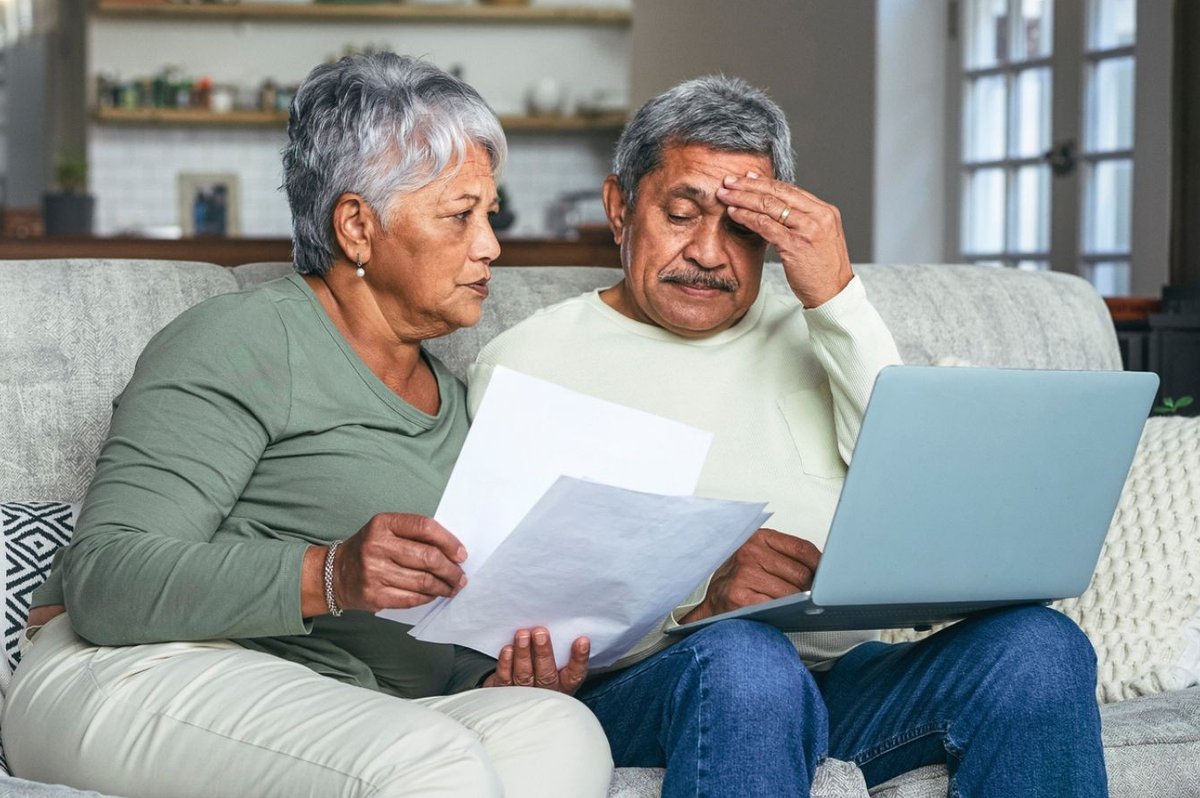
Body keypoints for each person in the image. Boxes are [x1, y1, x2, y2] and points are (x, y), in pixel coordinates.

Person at [468, 75, 1107, 797]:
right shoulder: (535, 361)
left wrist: (836, 297)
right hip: (658, 686)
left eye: (742, 228)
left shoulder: (824, 330)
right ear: (621, 207)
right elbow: (516, 614)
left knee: (1042, 649)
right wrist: (699, 609)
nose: (710, 253)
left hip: (845, 681)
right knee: (746, 659)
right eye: (681, 216)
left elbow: (920, 497)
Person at [2, 53, 612, 798]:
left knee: (560, 733)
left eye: (490, 214)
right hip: (136, 669)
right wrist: (328, 573)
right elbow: (105, 582)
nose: (490, 245)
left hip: (347, 706)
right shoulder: (244, 341)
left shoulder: (456, 408)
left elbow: (428, 640)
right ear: (358, 225)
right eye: (460, 215)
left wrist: (495, 671)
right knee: (427, 760)